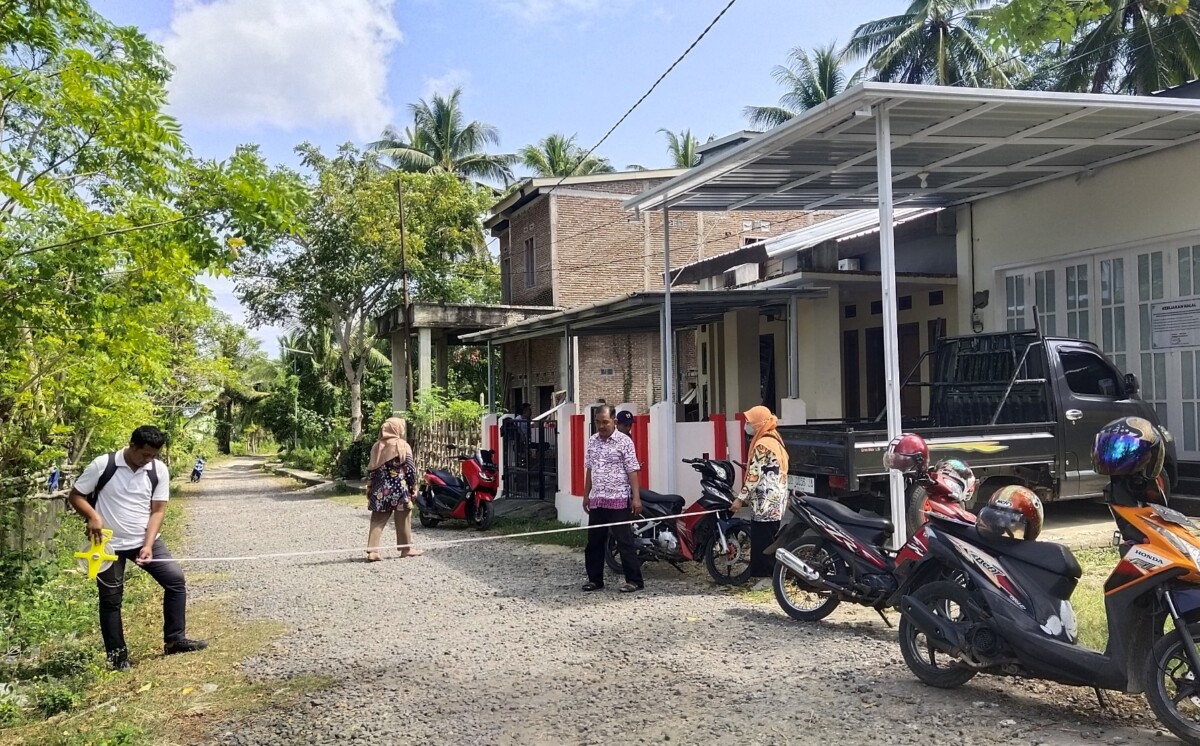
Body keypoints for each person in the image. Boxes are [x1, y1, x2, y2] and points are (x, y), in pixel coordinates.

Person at [68, 426, 207, 672]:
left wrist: (148, 545)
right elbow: (76, 495)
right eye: (145, 454)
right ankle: (118, 658)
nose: (148, 460)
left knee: (175, 580)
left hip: (143, 540)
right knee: (111, 600)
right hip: (106, 545)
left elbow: (158, 510)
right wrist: (92, 516)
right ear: (132, 446)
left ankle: (175, 640)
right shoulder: (104, 465)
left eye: (153, 455)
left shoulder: (158, 470)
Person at [582, 405, 644, 593]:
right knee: (594, 542)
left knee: (624, 541)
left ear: (614, 422)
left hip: (618, 498)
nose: (601, 426)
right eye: (598, 422)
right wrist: (587, 495)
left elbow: (632, 470)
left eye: (605, 422)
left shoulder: (624, 442)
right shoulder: (593, 441)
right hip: (598, 499)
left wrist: (636, 498)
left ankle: (634, 580)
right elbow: (590, 469)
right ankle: (595, 579)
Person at [729, 405, 790, 585]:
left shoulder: (762, 444)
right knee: (771, 537)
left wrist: (740, 499)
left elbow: (754, 476)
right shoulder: (775, 439)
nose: (747, 425)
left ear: (759, 423)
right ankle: (771, 575)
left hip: (765, 501)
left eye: (749, 422)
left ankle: (765, 577)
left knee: (763, 540)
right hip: (776, 498)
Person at [365, 417, 423, 563]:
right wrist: (413, 487)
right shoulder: (402, 445)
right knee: (403, 518)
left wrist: (370, 487)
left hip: (380, 489)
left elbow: (371, 470)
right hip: (399, 489)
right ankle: (406, 549)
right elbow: (410, 469)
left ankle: (372, 551)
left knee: (377, 519)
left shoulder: (377, 447)